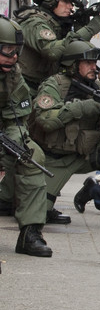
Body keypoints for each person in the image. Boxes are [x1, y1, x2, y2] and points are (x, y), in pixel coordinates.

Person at [0, 0, 100, 222]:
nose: (70, 7)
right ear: (51, 2)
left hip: (27, 91)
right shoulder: (36, 22)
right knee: (23, 146)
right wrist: (88, 29)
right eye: (66, 2)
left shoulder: (56, 25)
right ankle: (10, 199)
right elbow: (54, 51)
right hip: (26, 89)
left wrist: (79, 24)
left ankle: (25, 203)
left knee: (27, 147)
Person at [28, 39, 100, 232]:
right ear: (72, 64)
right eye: (88, 62)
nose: (94, 67)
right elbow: (45, 121)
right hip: (53, 159)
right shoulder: (54, 85)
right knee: (35, 214)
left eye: (95, 63)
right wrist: (82, 107)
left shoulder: (98, 87)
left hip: (84, 155)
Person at [0, 16, 53, 257]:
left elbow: (16, 118)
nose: (13, 57)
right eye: (7, 50)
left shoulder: (12, 75)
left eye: (16, 51)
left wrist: (17, 142)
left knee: (32, 157)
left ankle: (30, 233)